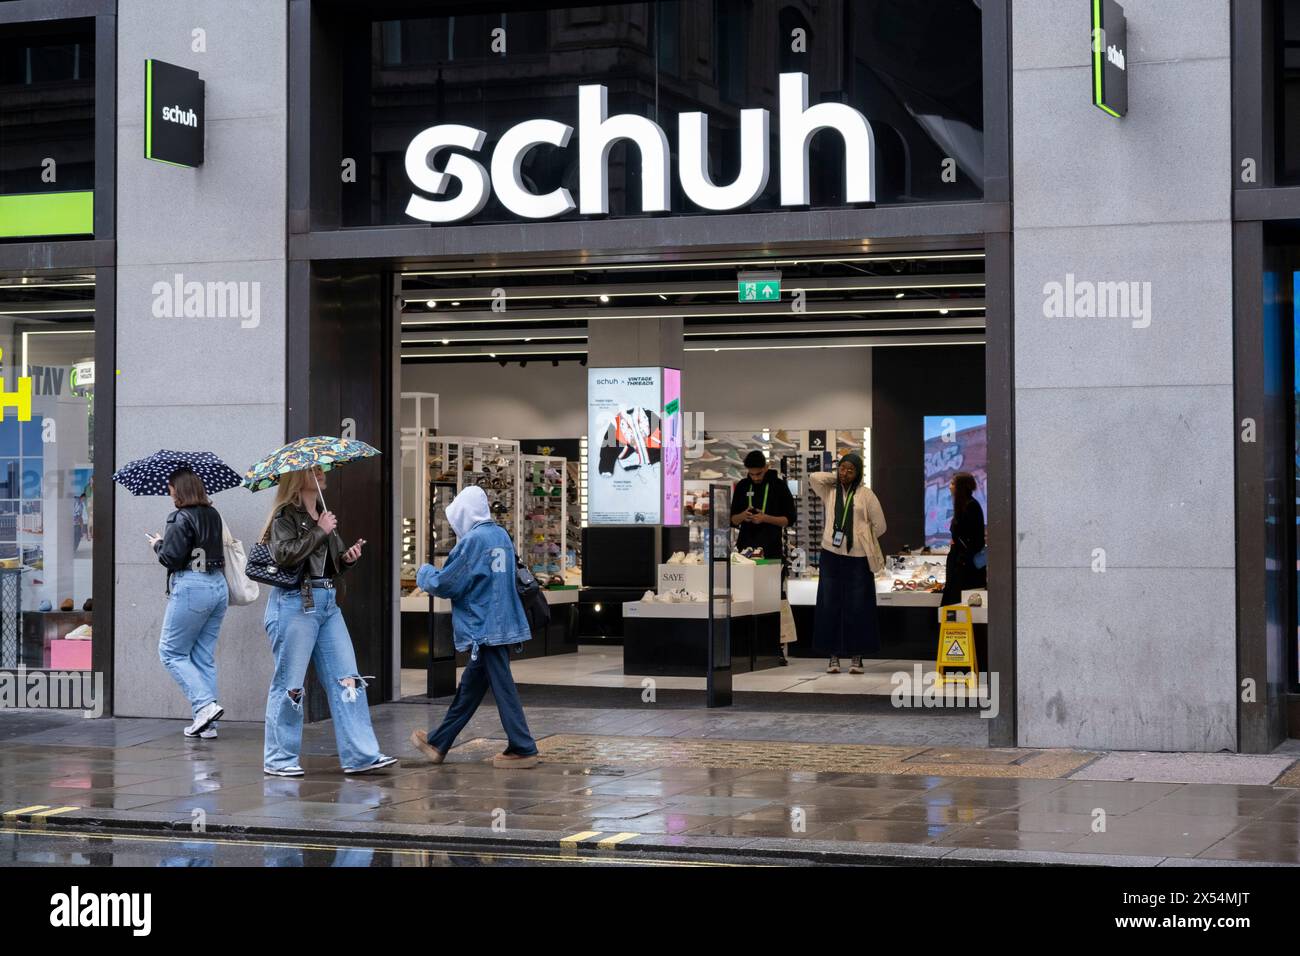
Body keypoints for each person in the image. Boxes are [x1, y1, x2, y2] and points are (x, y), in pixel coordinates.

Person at [261, 465, 397, 777]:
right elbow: (284, 554)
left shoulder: (323, 512)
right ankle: (279, 759)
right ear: (297, 478)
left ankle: (361, 755)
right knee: (290, 685)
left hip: (326, 602)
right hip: (295, 603)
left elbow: (330, 565)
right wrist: (320, 530)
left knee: (348, 678)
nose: (321, 473)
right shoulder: (286, 515)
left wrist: (348, 557)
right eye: (313, 470)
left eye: (321, 469)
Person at [409, 485, 540, 769]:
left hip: (484, 627)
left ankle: (523, 746)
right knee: (469, 688)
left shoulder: (473, 542)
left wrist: (424, 572)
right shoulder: (499, 534)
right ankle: (438, 742)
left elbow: (446, 583)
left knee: (502, 687)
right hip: (503, 623)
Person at [149, 468, 228, 739]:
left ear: (178, 489)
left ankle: (205, 706)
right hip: (218, 586)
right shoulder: (213, 514)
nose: (168, 491)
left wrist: (158, 544)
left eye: (170, 487)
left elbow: (170, 558)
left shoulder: (179, 517)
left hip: (193, 587)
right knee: (202, 656)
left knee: (170, 652)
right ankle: (207, 723)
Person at [808, 453, 887, 675]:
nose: (845, 473)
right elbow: (814, 477)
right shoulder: (829, 491)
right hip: (831, 555)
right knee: (829, 604)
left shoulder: (866, 495)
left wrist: (862, 535)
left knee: (858, 607)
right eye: (842, 468)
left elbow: (880, 526)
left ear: (859, 472)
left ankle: (856, 656)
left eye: (850, 470)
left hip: (858, 559)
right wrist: (835, 477)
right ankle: (833, 656)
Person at [730, 449, 798, 663]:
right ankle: (745, 646)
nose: (755, 478)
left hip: (771, 550)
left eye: (759, 473)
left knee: (772, 598)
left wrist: (765, 518)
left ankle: (774, 646)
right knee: (744, 596)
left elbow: (789, 519)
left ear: (766, 468)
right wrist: (746, 516)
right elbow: (733, 519)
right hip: (745, 552)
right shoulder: (742, 486)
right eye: (752, 474)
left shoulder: (778, 486)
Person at [941, 472, 986, 607]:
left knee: (956, 607)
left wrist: (961, 555)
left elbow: (972, 539)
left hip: (964, 568)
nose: (949, 487)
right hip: (961, 564)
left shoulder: (971, 506)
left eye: (952, 483)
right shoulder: (967, 505)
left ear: (960, 487)